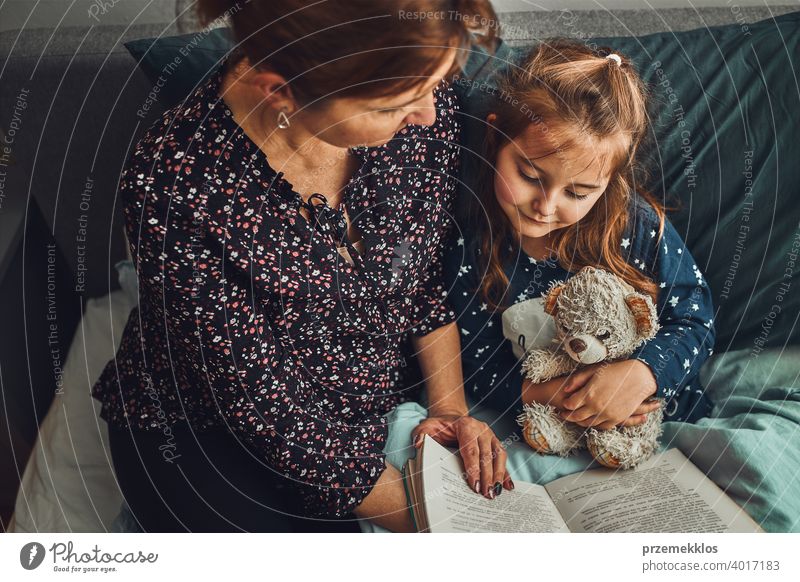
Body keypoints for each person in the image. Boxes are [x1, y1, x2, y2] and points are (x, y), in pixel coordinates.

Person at [91, 0, 509, 533]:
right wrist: (451, 521)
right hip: (214, 429)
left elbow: (417, 277)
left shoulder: (419, 98)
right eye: (392, 107)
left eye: (436, 85)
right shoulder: (176, 188)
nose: (429, 111)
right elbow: (264, 408)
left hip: (364, 402)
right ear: (277, 91)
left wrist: (449, 411)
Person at [415, 40, 715, 460]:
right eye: (529, 174)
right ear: (496, 133)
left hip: (658, 419)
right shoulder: (471, 237)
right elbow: (475, 360)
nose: (546, 206)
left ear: (609, 182)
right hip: (542, 419)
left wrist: (643, 373)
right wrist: (549, 394)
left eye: (578, 191)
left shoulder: (637, 224)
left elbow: (695, 320)